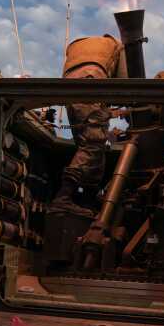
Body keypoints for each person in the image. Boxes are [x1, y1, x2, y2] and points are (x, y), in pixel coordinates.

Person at [49, 34, 123, 218]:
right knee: (93, 144)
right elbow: (126, 84)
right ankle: (63, 198)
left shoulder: (82, 44)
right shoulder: (117, 46)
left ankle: (87, 202)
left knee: (91, 147)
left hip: (69, 86)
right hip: (92, 81)